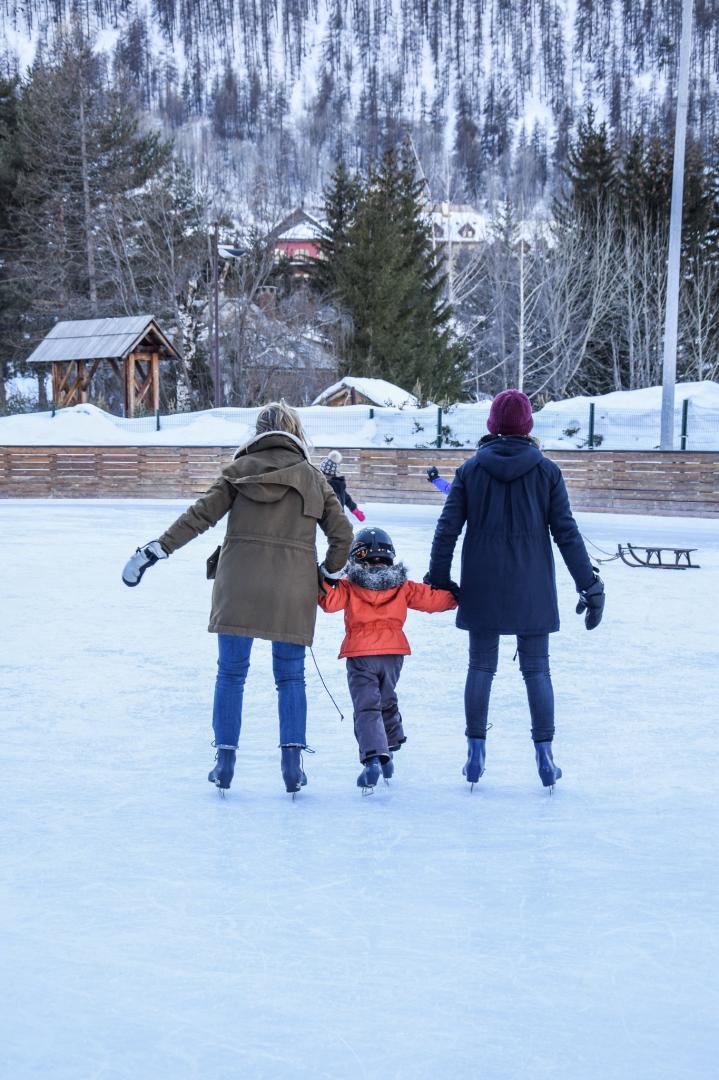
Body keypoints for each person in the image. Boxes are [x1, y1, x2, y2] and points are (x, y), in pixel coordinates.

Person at [122, 401, 353, 796]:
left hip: (238, 584)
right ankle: (292, 765)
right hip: (291, 590)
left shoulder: (236, 472)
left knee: (231, 674)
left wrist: (157, 550)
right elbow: (343, 536)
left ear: (258, 432)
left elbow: (198, 517)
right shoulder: (314, 478)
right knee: (290, 676)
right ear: (295, 431)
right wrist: (328, 574)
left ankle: (225, 762)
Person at [425, 389, 605, 790]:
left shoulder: (471, 470)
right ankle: (545, 756)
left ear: (492, 425)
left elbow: (447, 529)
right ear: (528, 426)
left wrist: (438, 578)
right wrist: (590, 585)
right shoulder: (547, 472)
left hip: (482, 585)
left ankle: (475, 752)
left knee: (480, 667)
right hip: (533, 588)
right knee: (537, 670)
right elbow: (567, 534)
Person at [318, 527, 457, 792]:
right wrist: (455, 597)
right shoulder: (402, 586)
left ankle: (373, 759)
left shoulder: (349, 585)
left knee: (367, 706)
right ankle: (389, 751)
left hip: (360, 655)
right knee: (386, 697)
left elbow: (329, 603)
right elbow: (431, 600)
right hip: (393, 655)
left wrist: (323, 580)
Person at [319, 450, 366, 521]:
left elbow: (346, 498)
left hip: (334, 520)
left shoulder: (332, 486)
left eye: (322, 472)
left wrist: (355, 510)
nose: (321, 475)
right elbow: (347, 498)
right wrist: (355, 510)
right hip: (336, 520)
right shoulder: (336, 485)